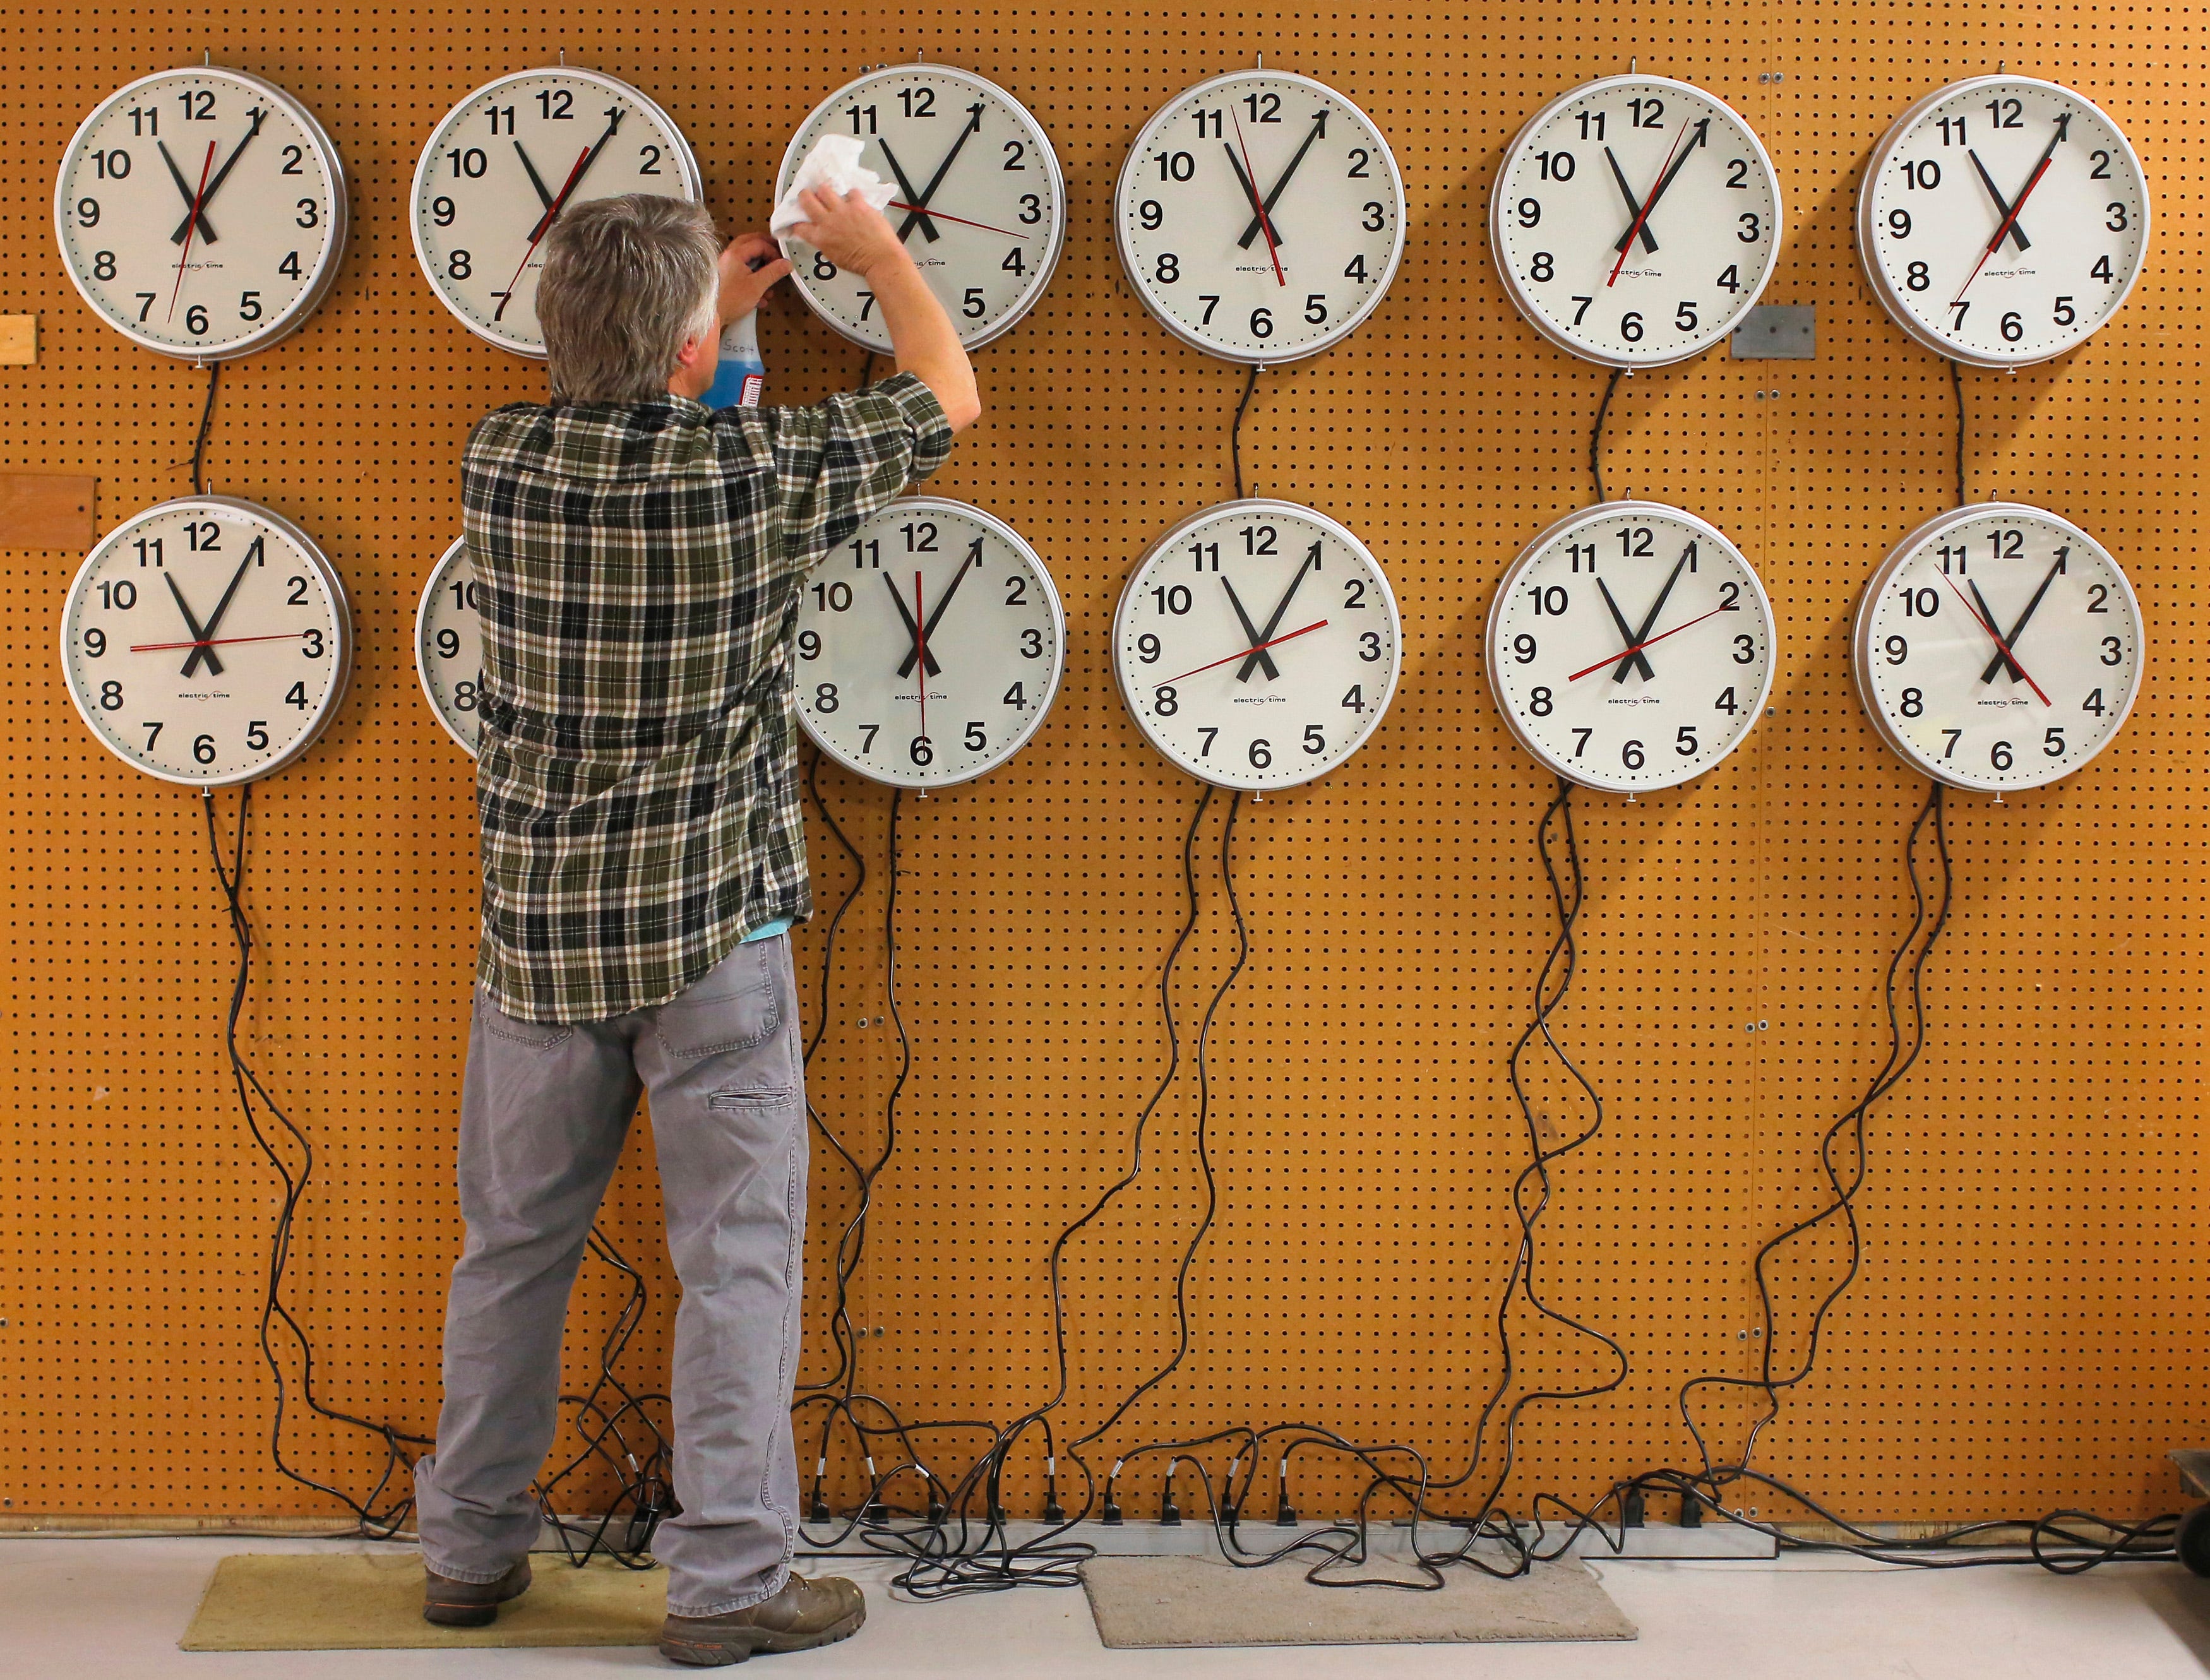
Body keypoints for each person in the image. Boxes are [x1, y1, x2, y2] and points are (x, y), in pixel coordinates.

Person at [412, 186, 979, 1667]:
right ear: (680, 349)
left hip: (535, 939)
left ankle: (468, 1550)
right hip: (711, 931)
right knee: (737, 1255)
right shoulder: (760, 472)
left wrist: (710, 311)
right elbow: (946, 388)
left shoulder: (501, 459)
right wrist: (876, 259)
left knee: (510, 1248)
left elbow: (639, 390)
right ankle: (729, 1582)